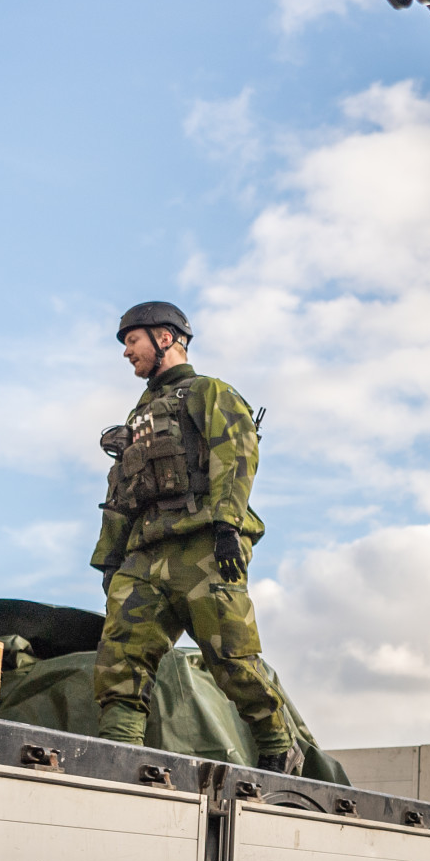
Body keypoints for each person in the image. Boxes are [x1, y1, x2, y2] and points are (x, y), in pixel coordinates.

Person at [89, 302, 298, 772]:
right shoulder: (138, 415)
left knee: (231, 659)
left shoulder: (210, 392)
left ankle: (278, 748)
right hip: (145, 553)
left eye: (132, 340)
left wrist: (226, 525)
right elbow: (120, 489)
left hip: (202, 546)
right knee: (119, 659)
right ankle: (117, 760)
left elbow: (237, 453)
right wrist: (110, 557)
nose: (126, 352)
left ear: (166, 337)